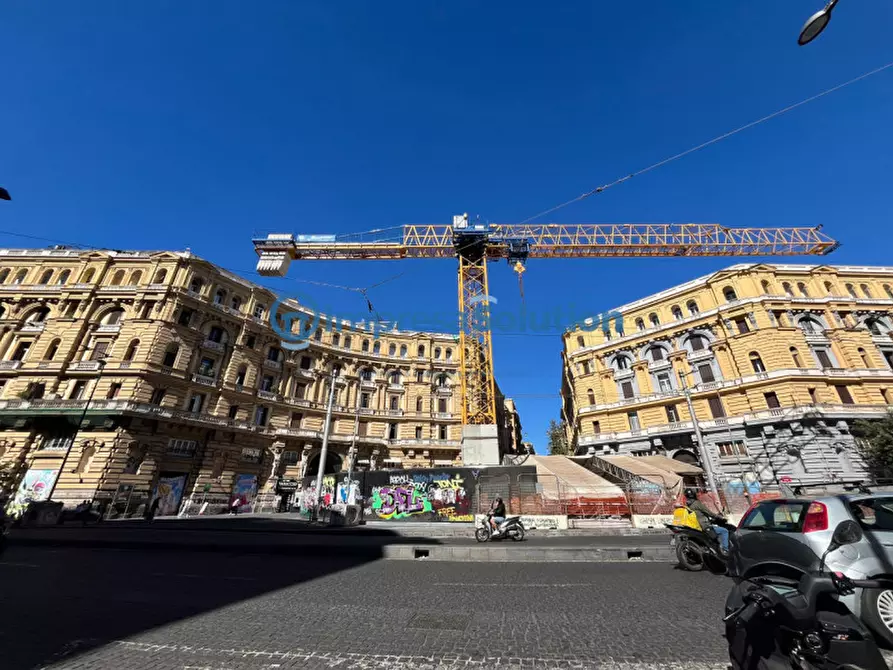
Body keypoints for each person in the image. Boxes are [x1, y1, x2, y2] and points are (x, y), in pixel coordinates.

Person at [684, 488, 728, 554]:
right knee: (724, 531)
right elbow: (708, 512)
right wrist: (719, 517)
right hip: (704, 525)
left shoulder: (687, 505)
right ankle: (725, 550)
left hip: (695, 526)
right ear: (694, 495)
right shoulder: (697, 503)